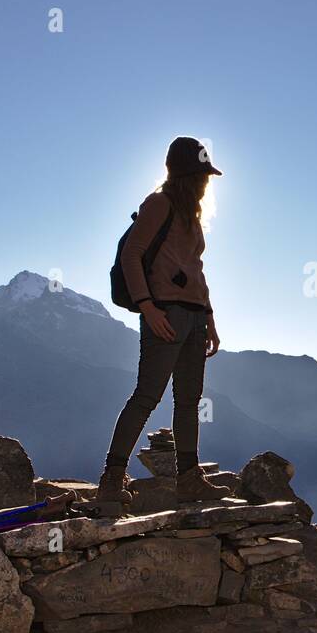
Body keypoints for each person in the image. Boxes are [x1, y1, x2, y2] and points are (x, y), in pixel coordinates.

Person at [100, 136, 224, 506]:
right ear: (186, 176)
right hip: (166, 315)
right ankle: (111, 478)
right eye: (201, 176)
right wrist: (147, 307)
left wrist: (210, 317)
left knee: (189, 400)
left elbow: (196, 269)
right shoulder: (159, 204)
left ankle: (189, 479)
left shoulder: (191, 217)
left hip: (193, 316)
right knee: (146, 397)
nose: (205, 183)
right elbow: (132, 255)